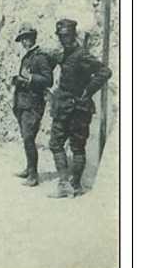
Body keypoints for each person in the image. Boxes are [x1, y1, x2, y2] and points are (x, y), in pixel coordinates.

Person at [48, 18, 112, 198]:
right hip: (63, 107)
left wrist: (88, 90)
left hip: (79, 108)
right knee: (55, 143)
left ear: (73, 35)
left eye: (66, 36)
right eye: (61, 36)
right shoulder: (65, 54)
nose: (63, 39)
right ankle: (64, 184)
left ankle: (74, 185)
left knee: (77, 147)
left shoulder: (82, 54)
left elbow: (105, 71)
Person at [11, 23, 53, 187]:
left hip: (33, 104)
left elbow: (48, 80)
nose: (23, 42)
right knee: (26, 137)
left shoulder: (40, 57)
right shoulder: (28, 56)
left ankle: (33, 176)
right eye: (22, 39)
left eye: (25, 38)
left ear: (32, 38)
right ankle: (29, 169)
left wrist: (29, 79)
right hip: (22, 102)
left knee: (29, 137)